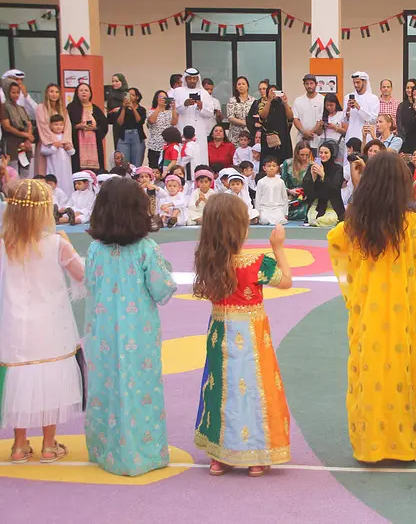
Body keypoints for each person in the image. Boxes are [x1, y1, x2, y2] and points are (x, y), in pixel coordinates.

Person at [327, 152, 416, 463]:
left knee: (369, 370)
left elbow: (335, 241)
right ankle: (402, 442)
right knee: (403, 370)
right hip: (403, 312)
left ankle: (370, 442)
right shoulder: (413, 225)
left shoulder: (356, 225)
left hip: (367, 313)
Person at [193, 193, 293, 477]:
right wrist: (279, 248)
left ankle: (219, 456)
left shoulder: (206, 259)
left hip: (220, 332)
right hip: (252, 336)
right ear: (240, 228)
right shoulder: (257, 262)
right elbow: (286, 282)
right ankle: (256, 455)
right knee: (253, 388)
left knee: (220, 387)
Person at [84, 176, 177, 475]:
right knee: (141, 386)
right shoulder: (146, 249)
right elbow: (162, 289)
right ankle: (143, 451)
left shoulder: (95, 250)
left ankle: (105, 449)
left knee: (106, 384)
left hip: (103, 334)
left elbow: (91, 284)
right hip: (140, 334)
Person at [0, 179, 84, 464]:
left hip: (14, 324)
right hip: (50, 323)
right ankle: (49, 445)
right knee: (51, 377)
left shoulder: (3, 245)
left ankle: (19, 444)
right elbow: (83, 275)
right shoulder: (56, 243)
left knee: (18, 376)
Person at [173, 68, 216, 168]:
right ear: (185, 78)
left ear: (197, 79)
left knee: (199, 156)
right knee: (183, 155)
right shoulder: (178, 91)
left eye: (194, 78)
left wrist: (201, 107)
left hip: (199, 130)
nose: (192, 81)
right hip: (182, 126)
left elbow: (210, 113)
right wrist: (184, 105)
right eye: (190, 78)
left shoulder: (204, 93)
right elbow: (174, 110)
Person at [67, 83, 108, 173]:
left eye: (86, 90)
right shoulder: (71, 108)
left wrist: (95, 128)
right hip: (78, 144)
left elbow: (104, 126)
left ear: (90, 94)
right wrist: (78, 126)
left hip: (94, 144)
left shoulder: (96, 109)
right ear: (77, 93)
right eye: (81, 90)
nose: (83, 92)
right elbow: (66, 126)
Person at [303, 140, 344, 227]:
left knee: (328, 220)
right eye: (321, 153)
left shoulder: (338, 169)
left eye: (326, 153)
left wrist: (323, 176)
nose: (323, 155)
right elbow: (307, 192)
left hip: (332, 205)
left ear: (331, 153)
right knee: (312, 219)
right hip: (317, 203)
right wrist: (313, 178)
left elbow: (335, 189)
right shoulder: (313, 167)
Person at [35, 84, 72, 177]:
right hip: (47, 143)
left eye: (57, 92)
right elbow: (43, 126)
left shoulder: (63, 109)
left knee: (64, 173)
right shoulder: (41, 108)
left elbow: (68, 126)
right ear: (47, 93)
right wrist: (55, 141)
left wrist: (64, 141)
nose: (54, 94)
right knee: (46, 174)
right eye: (51, 91)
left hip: (62, 146)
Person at [0, 82, 35, 175]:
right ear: (7, 92)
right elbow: (7, 126)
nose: (16, 95)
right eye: (13, 92)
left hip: (25, 145)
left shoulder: (21, 108)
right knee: (12, 173)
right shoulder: (3, 107)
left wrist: (28, 139)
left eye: (17, 93)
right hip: (11, 144)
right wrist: (25, 134)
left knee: (25, 174)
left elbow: (29, 124)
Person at [40, 114, 74, 196]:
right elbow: (43, 151)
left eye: (61, 124)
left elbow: (73, 152)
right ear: (50, 126)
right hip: (53, 164)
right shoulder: (48, 137)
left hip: (65, 166)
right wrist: (54, 147)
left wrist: (69, 149)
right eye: (56, 125)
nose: (58, 127)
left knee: (66, 181)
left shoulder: (66, 136)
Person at [259, 85, 294, 163]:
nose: (273, 94)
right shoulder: (263, 104)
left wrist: (285, 103)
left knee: (284, 162)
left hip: (283, 139)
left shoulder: (283, 105)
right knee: (268, 162)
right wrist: (268, 101)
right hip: (268, 140)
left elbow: (291, 117)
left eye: (275, 92)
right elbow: (262, 116)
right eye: (271, 92)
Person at [115, 88, 147, 168]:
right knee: (123, 163)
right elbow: (119, 122)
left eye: (132, 95)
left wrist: (132, 108)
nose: (130, 97)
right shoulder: (122, 109)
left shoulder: (141, 109)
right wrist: (124, 108)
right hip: (124, 137)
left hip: (137, 136)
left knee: (137, 163)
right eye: (128, 95)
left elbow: (139, 121)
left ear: (137, 97)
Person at [146, 90, 179, 170]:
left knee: (165, 169)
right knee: (154, 169)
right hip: (154, 146)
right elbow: (152, 121)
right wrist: (159, 107)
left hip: (167, 147)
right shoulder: (151, 111)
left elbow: (174, 122)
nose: (163, 99)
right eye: (160, 97)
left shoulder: (170, 112)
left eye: (165, 98)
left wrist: (174, 108)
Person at [343, 72, 380, 142]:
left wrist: (359, 108)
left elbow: (373, 120)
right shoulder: (347, 97)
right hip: (351, 135)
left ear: (365, 82)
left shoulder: (373, 98)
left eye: (358, 82)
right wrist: (348, 109)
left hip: (366, 137)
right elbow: (345, 120)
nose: (356, 85)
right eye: (354, 83)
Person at [281, 141, 312, 221]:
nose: (304, 157)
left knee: (306, 213)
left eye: (307, 155)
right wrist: (290, 191)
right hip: (289, 198)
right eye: (302, 155)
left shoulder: (312, 165)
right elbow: (281, 184)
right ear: (297, 153)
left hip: (305, 199)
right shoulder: (287, 164)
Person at [292, 74, 325, 148]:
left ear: (316, 84)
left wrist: (310, 133)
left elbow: (321, 120)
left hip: (317, 141)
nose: (309, 86)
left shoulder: (322, 100)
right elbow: (295, 119)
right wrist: (304, 132)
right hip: (302, 140)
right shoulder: (298, 100)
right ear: (304, 85)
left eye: (311, 83)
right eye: (307, 84)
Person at [255, 156, 289, 225]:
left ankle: (280, 218)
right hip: (264, 209)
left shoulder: (280, 181)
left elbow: (285, 198)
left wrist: (286, 213)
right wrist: (257, 214)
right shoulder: (261, 182)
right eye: (269, 166)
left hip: (278, 208)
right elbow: (258, 199)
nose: (271, 168)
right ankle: (263, 219)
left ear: (277, 168)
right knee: (264, 220)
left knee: (281, 220)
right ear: (264, 168)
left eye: (274, 166)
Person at [226, 76, 255, 145]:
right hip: (235, 136)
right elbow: (230, 117)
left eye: (243, 84)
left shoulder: (253, 101)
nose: (241, 86)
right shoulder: (232, 100)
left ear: (247, 86)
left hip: (249, 135)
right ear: (236, 87)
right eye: (239, 84)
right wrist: (245, 123)